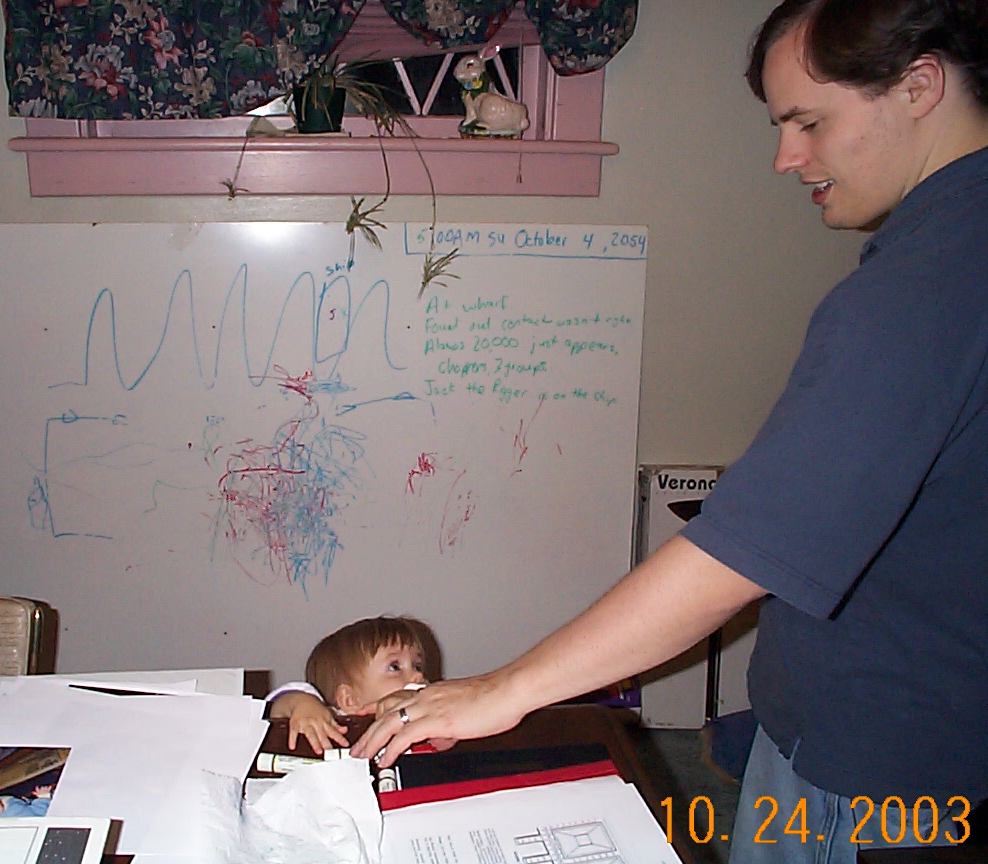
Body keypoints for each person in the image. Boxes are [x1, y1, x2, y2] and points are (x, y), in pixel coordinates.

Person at [353, 1, 988, 861]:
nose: (785, 157)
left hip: (875, 759)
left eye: (808, 122)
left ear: (919, 86)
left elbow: (740, 556)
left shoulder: (920, 287)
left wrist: (506, 689)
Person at [268, 615, 432, 753]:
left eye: (417, 666)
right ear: (350, 700)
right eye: (394, 667)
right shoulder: (337, 723)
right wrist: (304, 704)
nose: (418, 675)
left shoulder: (430, 718)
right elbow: (275, 710)